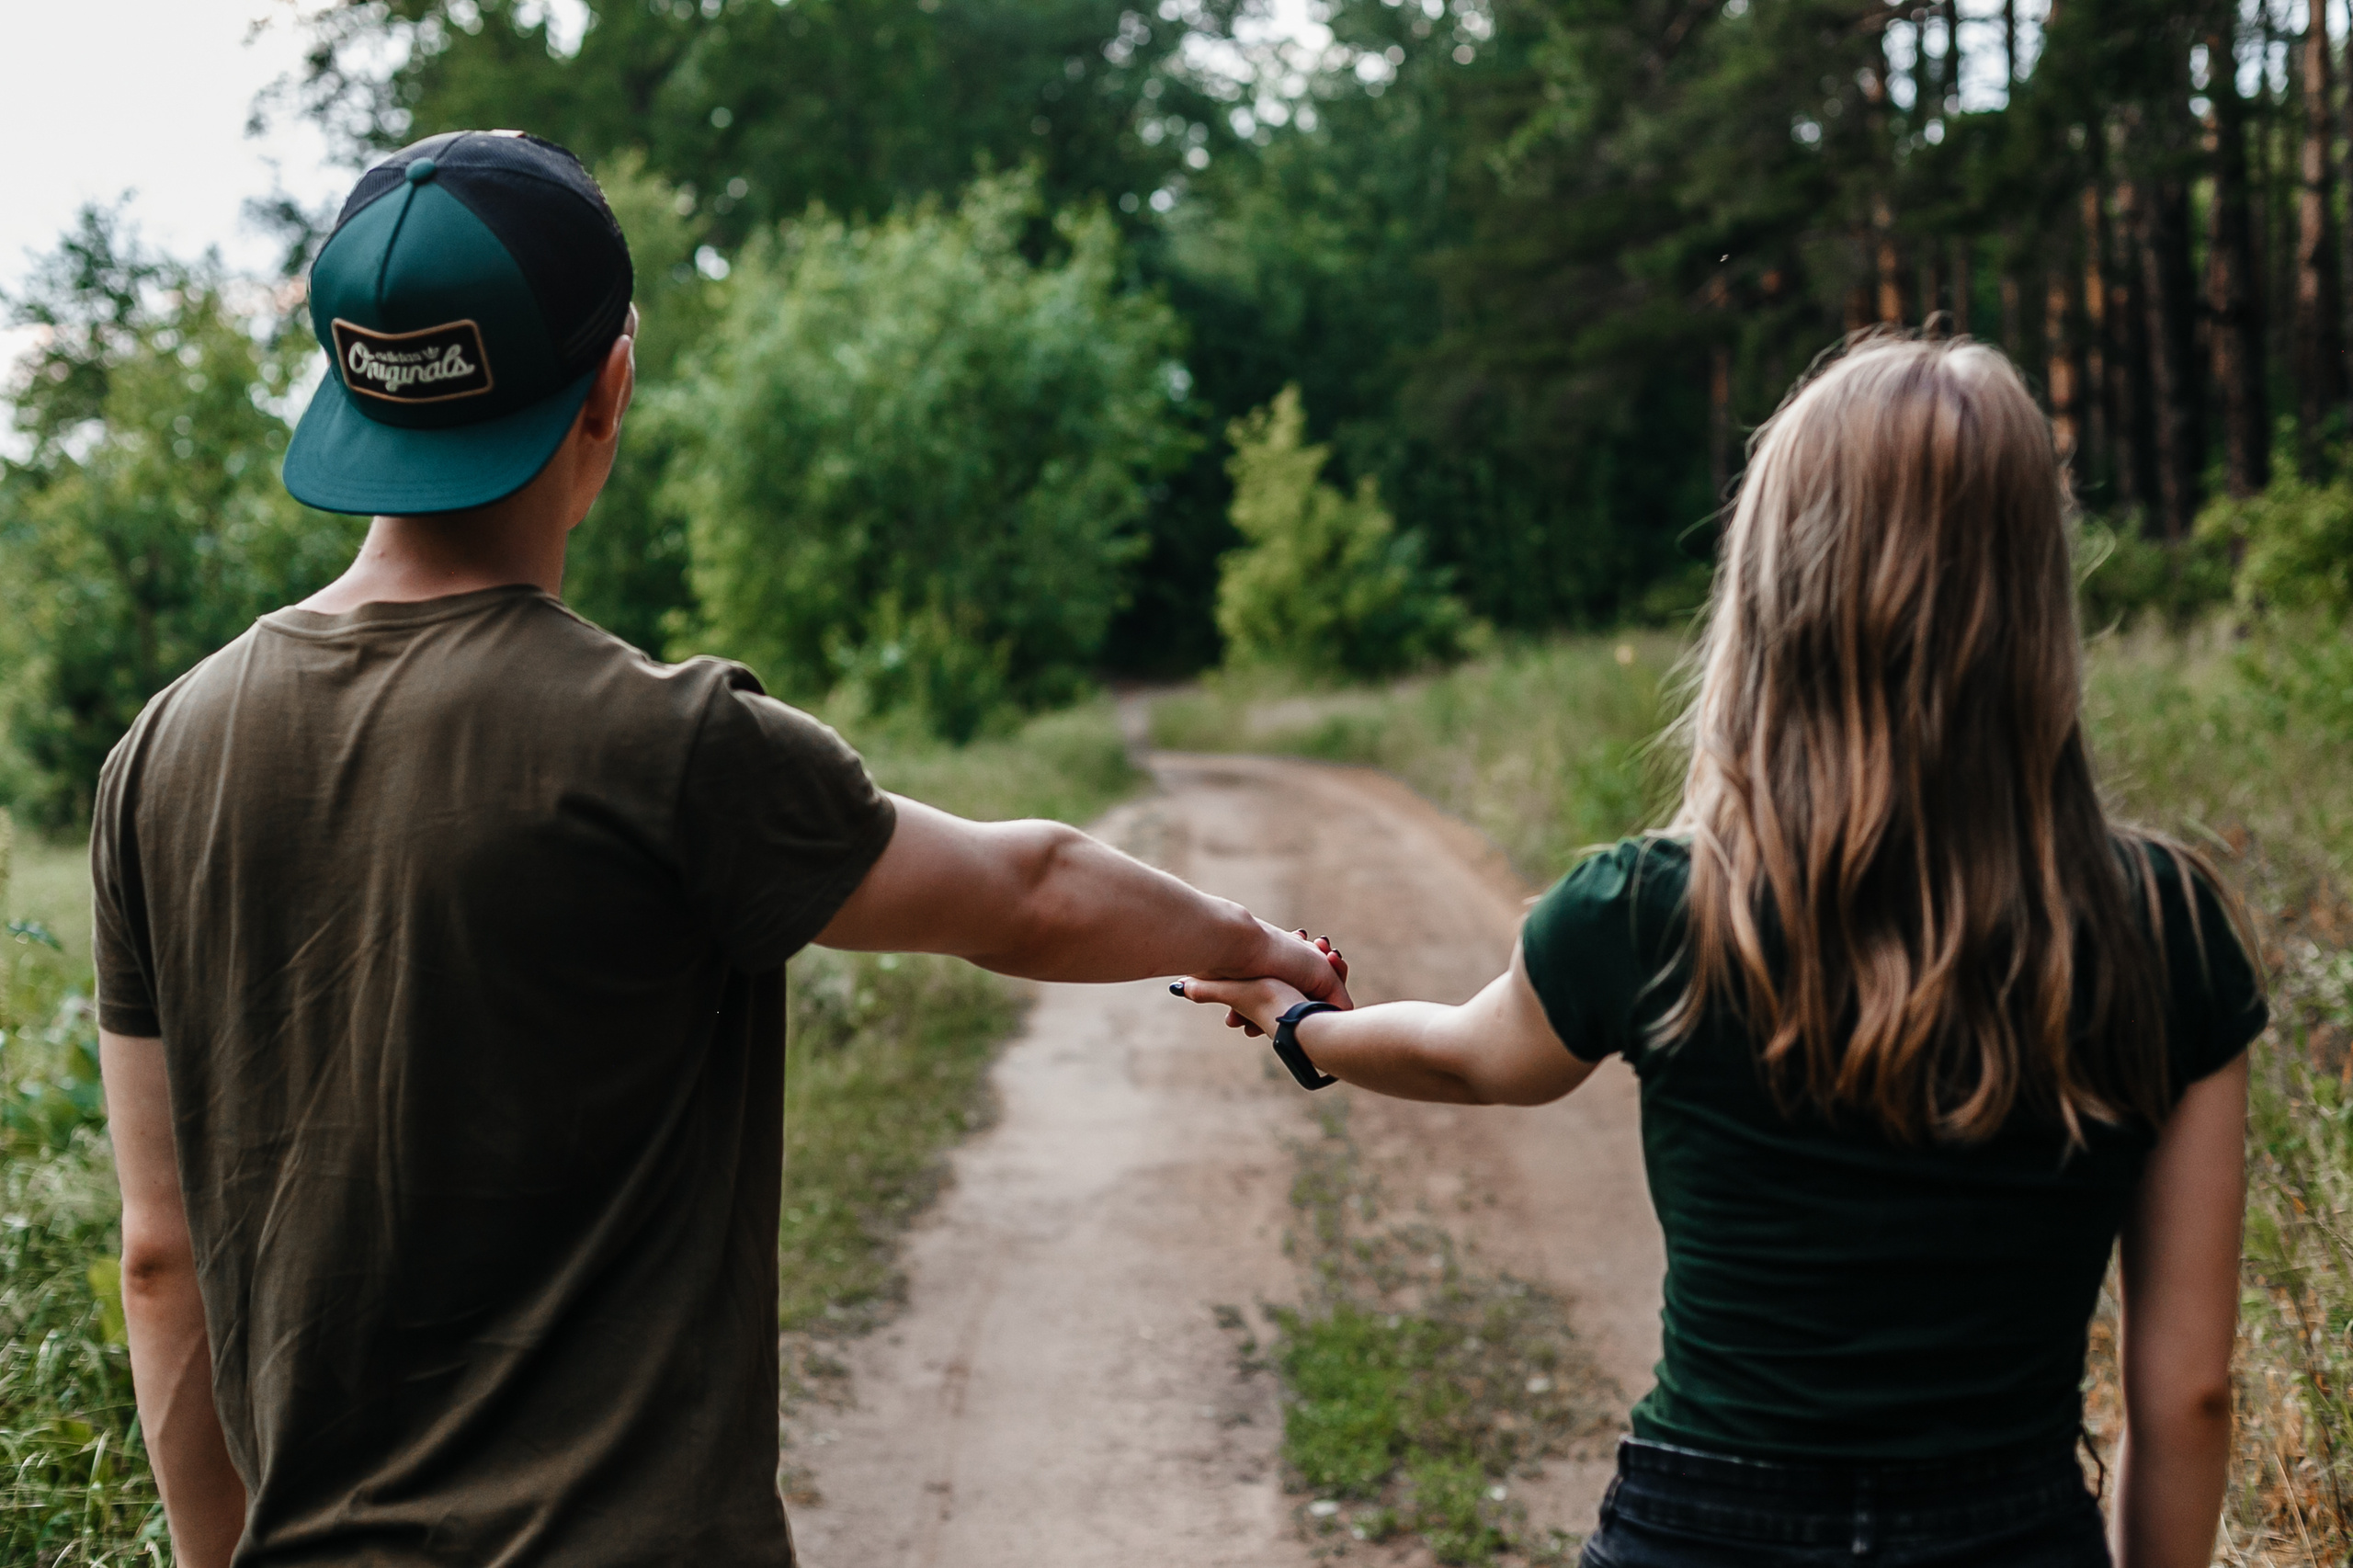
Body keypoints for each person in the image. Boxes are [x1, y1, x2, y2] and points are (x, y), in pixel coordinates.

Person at [93, 131, 1347, 1568]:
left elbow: (162, 1252)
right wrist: (1254, 947)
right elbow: (1029, 889)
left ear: (347, 389)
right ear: (608, 390)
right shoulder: (665, 742)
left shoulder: (158, 758)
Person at [1180, 336, 2264, 1568]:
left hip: (1705, 1531)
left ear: (1773, 586)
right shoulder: (2165, 926)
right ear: (2035, 593)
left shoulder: (1649, 909)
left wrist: (1300, 1027)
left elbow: (1471, 1057)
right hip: (2009, 1528)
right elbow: (2187, 1394)